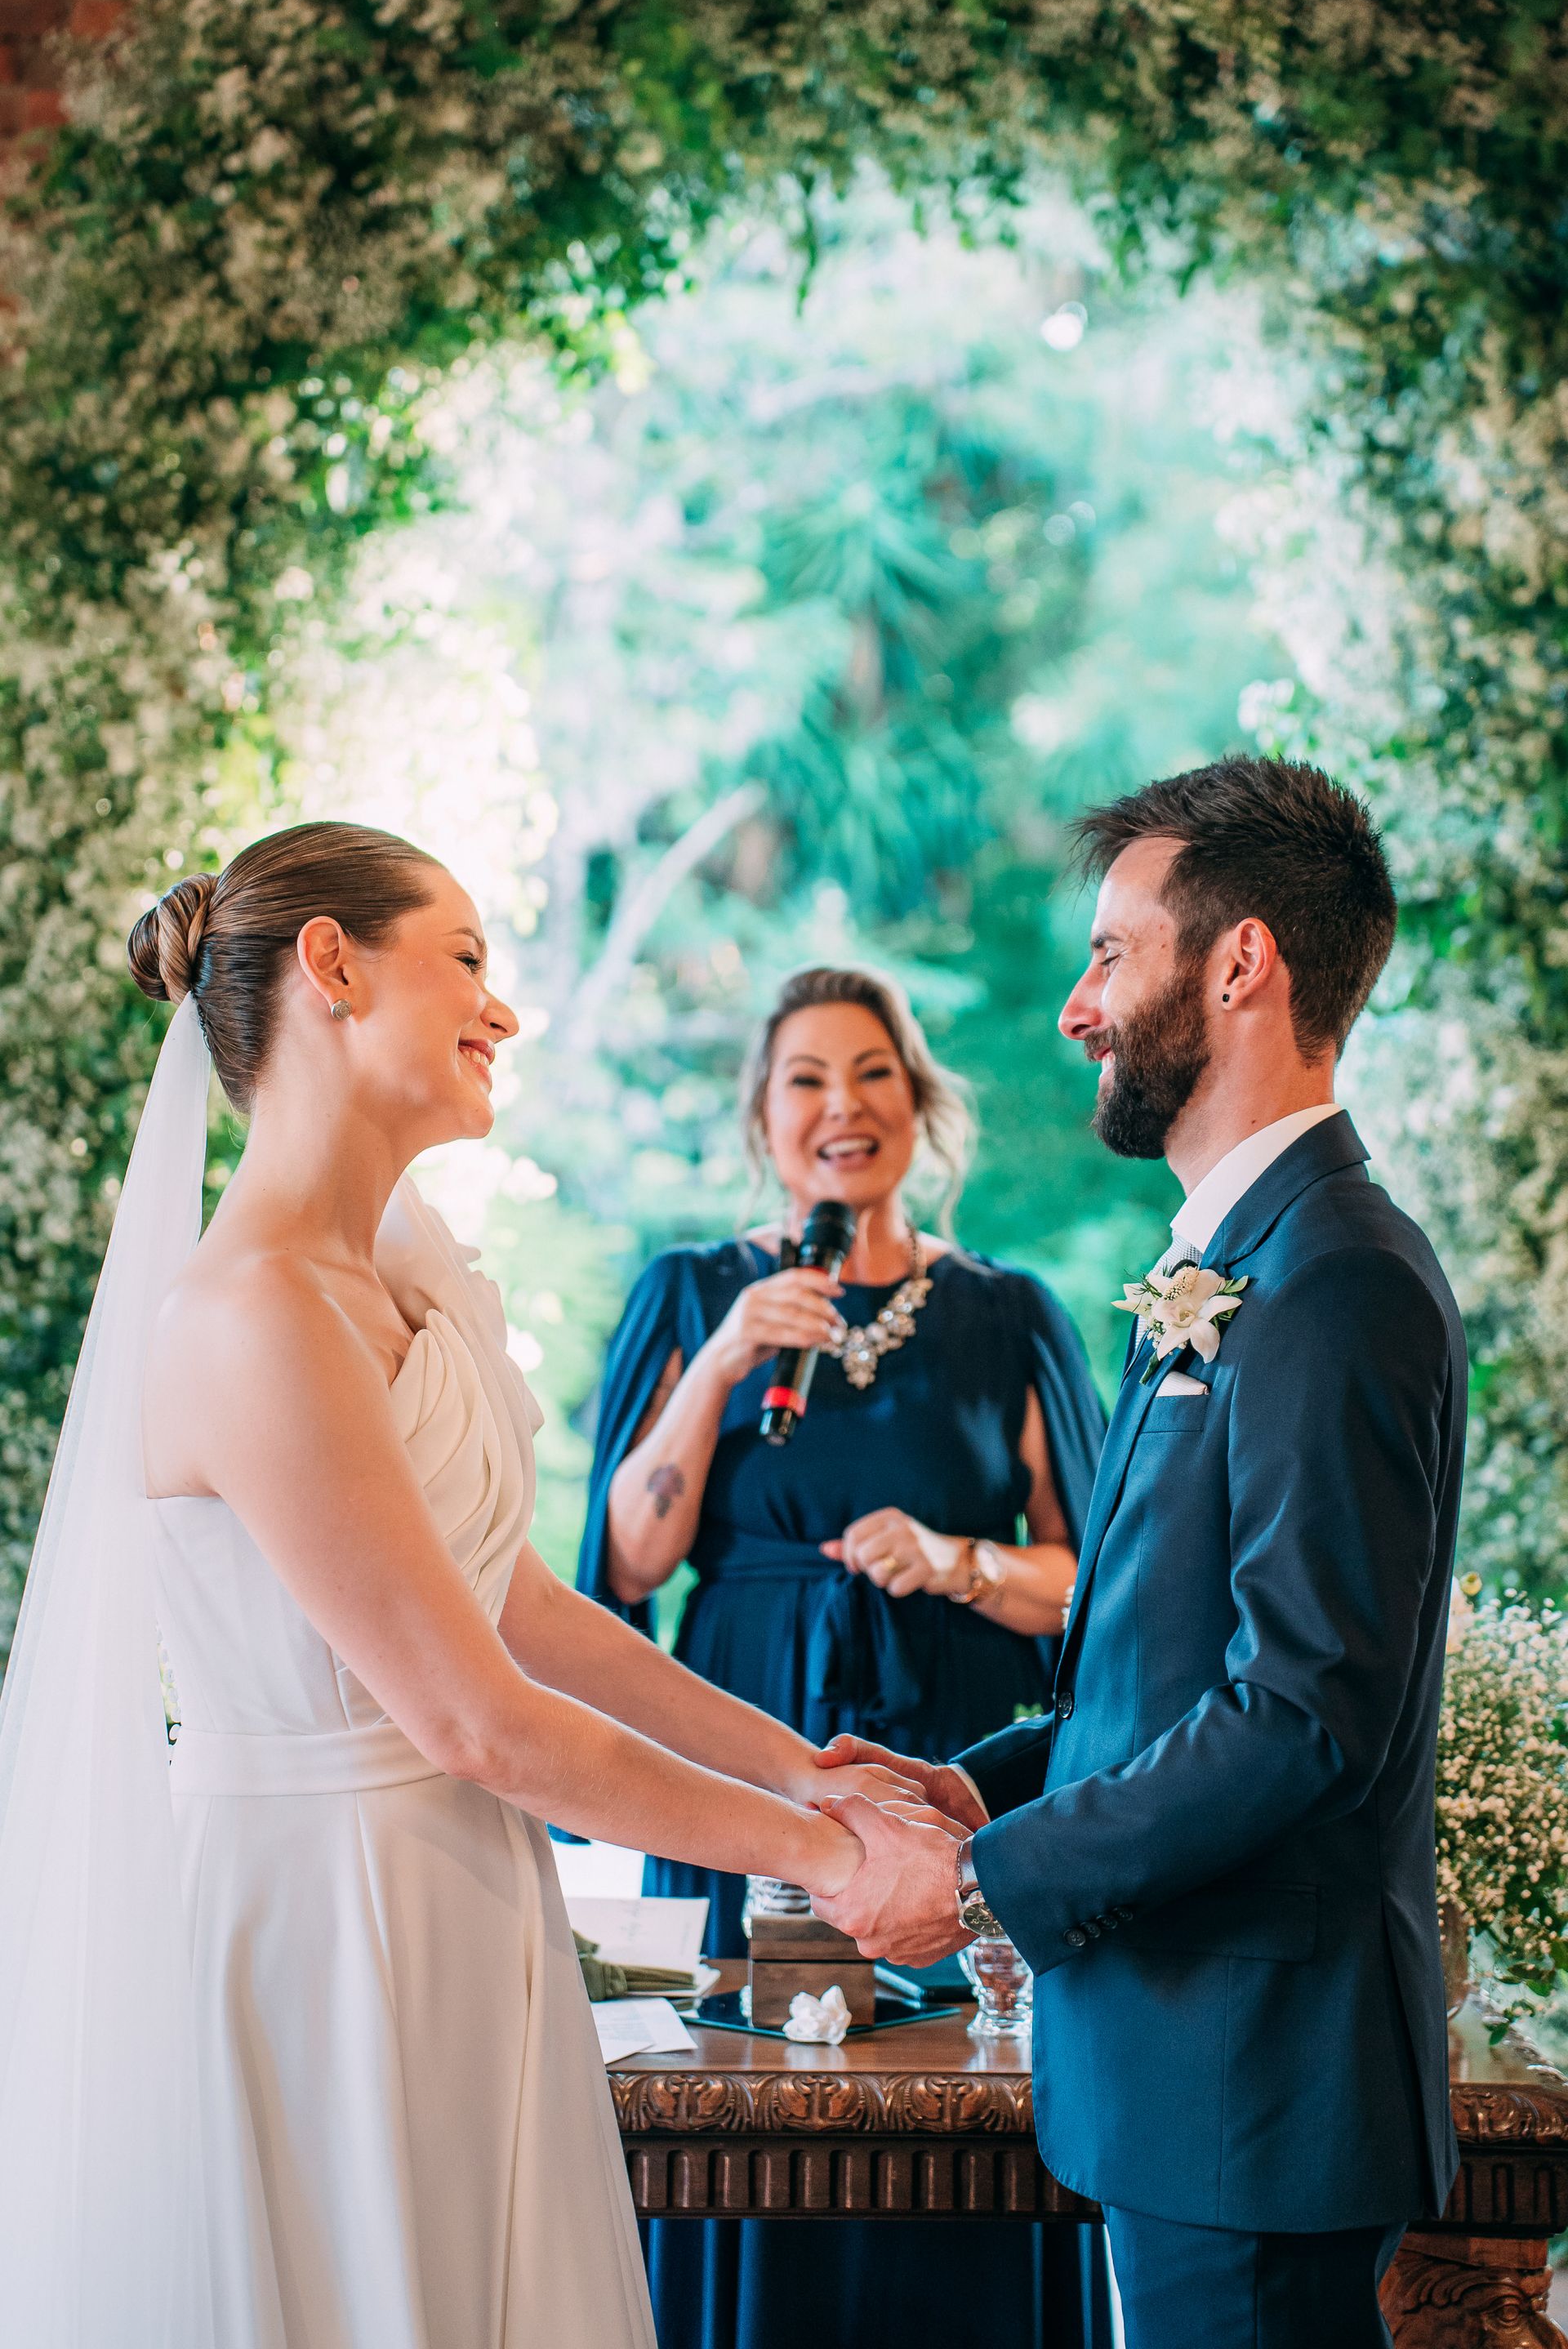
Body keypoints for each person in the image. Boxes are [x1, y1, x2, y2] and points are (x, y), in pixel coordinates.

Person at [0, 822, 939, 2349]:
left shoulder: (400, 1279)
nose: (502, 1013)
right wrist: (826, 1866)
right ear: (333, 969)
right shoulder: (250, 1315)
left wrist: (807, 1772)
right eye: (467, 962)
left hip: (455, 1894)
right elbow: (479, 1720)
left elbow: (517, 1606)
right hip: (325, 1925)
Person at [814, 755, 1468, 2349]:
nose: (1076, 1005)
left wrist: (982, 1882)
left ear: (1240, 961)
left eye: (1112, 952)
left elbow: (1307, 1711)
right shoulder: (1236, 1258)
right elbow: (1177, 1663)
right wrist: (982, 1785)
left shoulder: (1338, 1278)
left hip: (1253, 2084)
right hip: (1188, 2082)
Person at [578, 965, 1110, 2349]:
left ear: (919, 1105)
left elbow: (1101, 1595)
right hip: (740, 1758)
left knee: (966, 2127)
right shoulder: (695, 1292)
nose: (842, 1106)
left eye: (873, 1073)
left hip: (948, 1751)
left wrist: (958, 1564)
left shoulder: (1011, 1314)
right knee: (747, 2129)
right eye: (807, 1079)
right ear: (764, 1119)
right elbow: (630, 1563)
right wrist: (719, 1362)